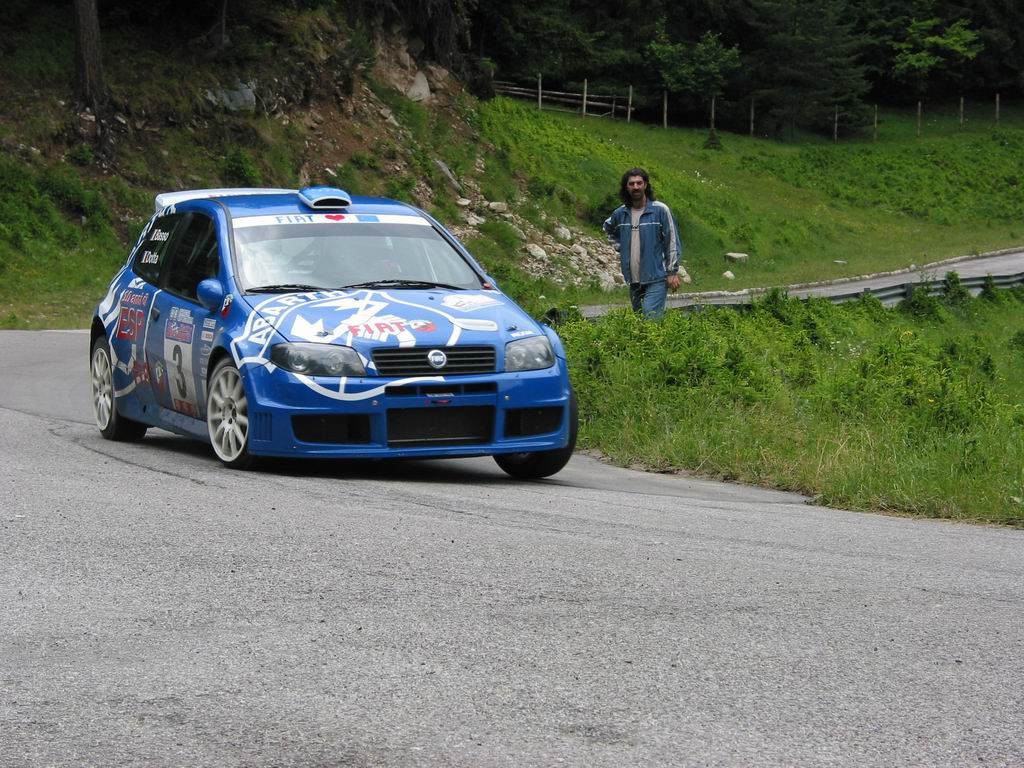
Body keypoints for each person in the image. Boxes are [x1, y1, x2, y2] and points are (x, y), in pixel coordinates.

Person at [603, 168, 684, 319]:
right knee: (640, 321)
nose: (635, 187)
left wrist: (672, 271)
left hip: (656, 277)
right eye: (631, 184)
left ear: (645, 185)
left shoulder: (660, 210)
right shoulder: (621, 214)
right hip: (633, 280)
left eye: (639, 183)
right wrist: (621, 247)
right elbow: (607, 228)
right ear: (626, 187)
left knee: (650, 316)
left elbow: (672, 240)